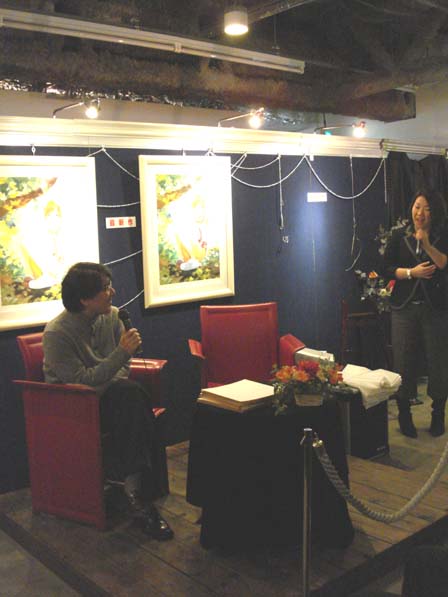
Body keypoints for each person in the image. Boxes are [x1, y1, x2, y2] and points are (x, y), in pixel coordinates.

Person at [42, 262, 173, 540]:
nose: (112, 292)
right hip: (74, 407)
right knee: (131, 397)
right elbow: (81, 381)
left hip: (112, 396)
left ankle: (135, 489)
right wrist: (121, 354)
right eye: (105, 288)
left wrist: (113, 372)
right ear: (84, 299)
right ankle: (139, 491)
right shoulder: (56, 333)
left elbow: (121, 370)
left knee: (131, 395)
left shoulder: (112, 317)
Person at [383, 189, 448, 438]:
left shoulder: (443, 234)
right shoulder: (399, 236)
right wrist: (411, 273)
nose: (420, 213)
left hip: (435, 308)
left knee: (438, 362)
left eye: (427, 208)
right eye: (417, 206)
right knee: (404, 360)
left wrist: (427, 243)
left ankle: (438, 415)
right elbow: (385, 268)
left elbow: (443, 263)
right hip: (404, 307)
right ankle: (404, 415)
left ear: (435, 212)